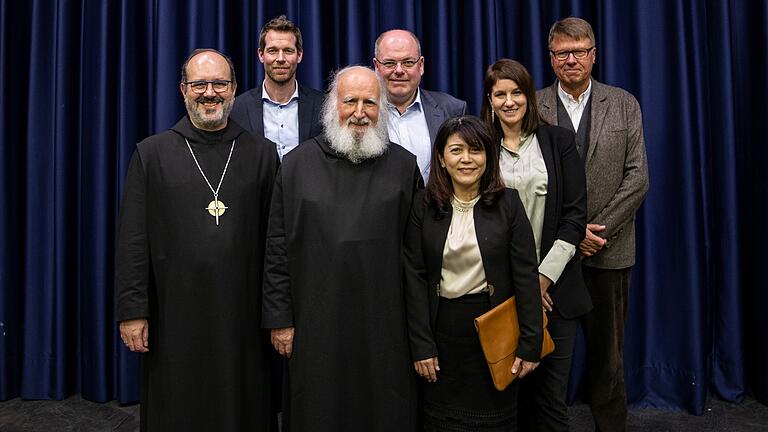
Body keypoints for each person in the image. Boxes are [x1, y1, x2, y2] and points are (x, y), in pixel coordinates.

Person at [115, 48, 278, 431]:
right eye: (199, 84)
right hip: (174, 316)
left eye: (219, 83)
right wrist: (132, 310)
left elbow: (277, 244)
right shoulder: (151, 154)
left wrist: (277, 314)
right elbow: (133, 241)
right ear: (183, 89)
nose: (210, 93)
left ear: (234, 88)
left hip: (243, 317)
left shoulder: (262, 154)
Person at [262, 66, 422, 432]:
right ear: (332, 106)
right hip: (315, 323)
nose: (360, 112)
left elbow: (416, 261)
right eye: (350, 101)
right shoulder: (296, 165)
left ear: (382, 107)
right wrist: (280, 320)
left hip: (384, 326)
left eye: (370, 102)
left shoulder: (403, 167)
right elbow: (276, 250)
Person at [537, 17, 649, 432]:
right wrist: (568, 236)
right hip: (548, 257)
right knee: (547, 357)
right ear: (551, 59)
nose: (572, 60)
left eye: (579, 51)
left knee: (608, 358)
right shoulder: (532, 105)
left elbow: (638, 178)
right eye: (562, 53)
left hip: (609, 250)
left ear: (594, 55)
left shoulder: (624, 103)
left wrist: (593, 233)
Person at [404, 115, 542, 431]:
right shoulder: (423, 206)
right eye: (456, 150)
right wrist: (421, 345)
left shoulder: (509, 204)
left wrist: (530, 343)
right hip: (442, 335)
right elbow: (413, 276)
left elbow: (525, 275)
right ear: (440, 157)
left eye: (476, 150)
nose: (466, 159)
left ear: (488, 156)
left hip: (495, 333)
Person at [481, 58, 589, 431]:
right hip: (500, 295)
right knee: (507, 400)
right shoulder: (479, 146)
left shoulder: (557, 141)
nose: (509, 102)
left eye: (516, 93)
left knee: (551, 404)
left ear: (529, 96)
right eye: (500, 94)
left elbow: (575, 217)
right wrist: (521, 286)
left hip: (555, 291)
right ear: (490, 100)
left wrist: (541, 280)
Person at [374, 29, 467, 181]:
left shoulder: (453, 109)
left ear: (421, 65)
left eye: (408, 62)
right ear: (376, 67)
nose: (399, 70)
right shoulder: (361, 113)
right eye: (390, 63)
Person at [231, 15, 323, 160]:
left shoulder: (322, 106)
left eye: (288, 51)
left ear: (299, 55)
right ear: (261, 55)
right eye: (273, 51)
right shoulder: (237, 108)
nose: (280, 59)